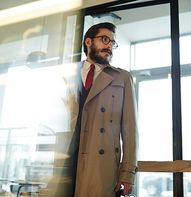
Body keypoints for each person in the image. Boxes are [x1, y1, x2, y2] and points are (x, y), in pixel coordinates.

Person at [65, 22, 138, 197]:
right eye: (105, 39)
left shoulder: (122, 78)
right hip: (65, 162)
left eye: (112, 42)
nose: (109, 46)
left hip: (99, 164)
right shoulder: (67, 74)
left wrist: (127, 173)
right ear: (88, 42)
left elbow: (130, 130)